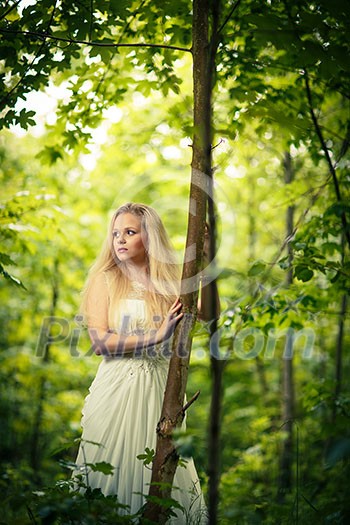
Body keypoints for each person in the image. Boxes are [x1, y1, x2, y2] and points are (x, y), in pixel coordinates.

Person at [73, 202, 207, 524]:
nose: (119, 239)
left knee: (161, 474)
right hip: (116, 391)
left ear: (150, 239)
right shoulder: (104, 280)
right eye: (116, 233)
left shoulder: (169, 284)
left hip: (161, 393)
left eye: (130, 232)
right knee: (111, 470)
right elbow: (100, 342)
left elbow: (208, 313)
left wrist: (206, 258)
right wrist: (156, 336)